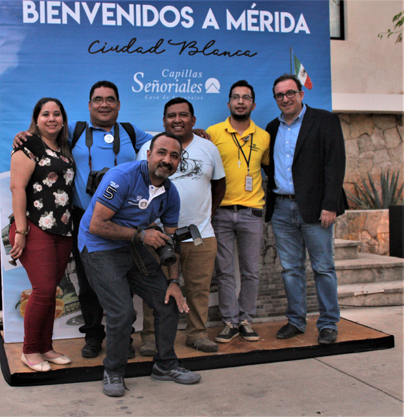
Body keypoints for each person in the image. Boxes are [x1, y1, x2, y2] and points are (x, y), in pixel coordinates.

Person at [15, 81, 152, 359]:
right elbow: (45, 142)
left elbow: (162, 143)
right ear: (89, 105)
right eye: (98, 99)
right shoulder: (75, 133)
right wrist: (24, 135)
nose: (104, 104)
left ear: (119, 105)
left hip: (122, 220)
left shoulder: (130, 132)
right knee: (88, 282)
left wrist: (193, 135)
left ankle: (122, 337)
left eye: (110, 99)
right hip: (82, 217)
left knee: (123, 281)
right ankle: (92, 336)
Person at [79, 132, 201, 397]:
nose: (167, 160)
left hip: (132, 246)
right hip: (99, 247)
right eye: (161, 153)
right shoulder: (121, 177)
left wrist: (173, 282)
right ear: (148, 154)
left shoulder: (171, 194)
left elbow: (171, 242)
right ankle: (113, 371)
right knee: (122, 312)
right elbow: (96, 225)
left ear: (179, 162)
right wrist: (142, 235)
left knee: (167, 302)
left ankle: (165, 366)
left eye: (174, 156)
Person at [136, 98, 226, 355]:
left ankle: (197, 335)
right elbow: (139, 186)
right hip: (158, 236)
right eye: (171, 115)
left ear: (193, 120)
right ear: (164, 121)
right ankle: (151, 337)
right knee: (155, 289)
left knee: (199, 289)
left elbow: (219, 184)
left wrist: (207, 215)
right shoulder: (148, 148)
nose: (177, 120)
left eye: (183, 115)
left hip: (199, 235)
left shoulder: (208, 148)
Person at [265, 74, 348, 345]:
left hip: (316, 209)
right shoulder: (272, 128)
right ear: (275, 99)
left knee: (323, 268)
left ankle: (328, 323)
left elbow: (335, 164)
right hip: (281, 208)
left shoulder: (325, 120)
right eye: (280, 95)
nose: (285, 98)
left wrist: (330, 205)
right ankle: (296, 321)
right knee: (290, 269)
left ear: (301, 94)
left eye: (290, 92)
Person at [9, 98, 75, 372]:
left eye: (56, 114)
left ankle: (45, 347)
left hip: (63, 229)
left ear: (63, 119)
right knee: (43, 290)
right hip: (35, 227)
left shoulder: (65, 148)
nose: (51, 118)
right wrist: (21, 231)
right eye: (45, 114)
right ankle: (30, 350)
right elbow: (17, 189)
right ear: (36, 119)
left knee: (52, 291)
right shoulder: (28, 147)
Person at [206, 80, 270, 344]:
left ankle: (246, 320)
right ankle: (230, 322)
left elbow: (265, 166)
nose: (240, 101)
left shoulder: (264, 137)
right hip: (220, 212)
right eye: (236, 97)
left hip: (251, 212)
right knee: (224, 270)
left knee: (251, 270)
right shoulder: (212, 133)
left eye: (246, 97)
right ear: (229, 103)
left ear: (253, 104)